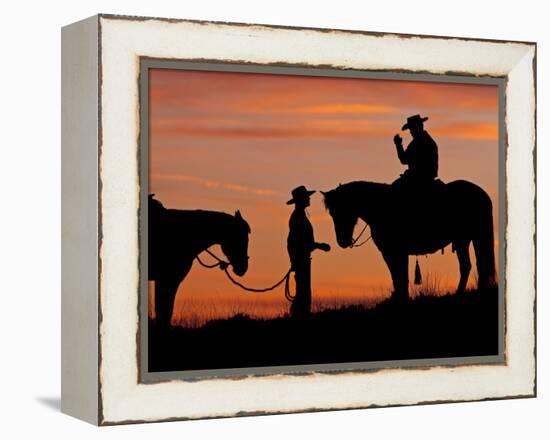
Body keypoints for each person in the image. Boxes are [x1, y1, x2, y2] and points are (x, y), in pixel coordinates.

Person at [286, 185, 331, 318]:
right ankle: (300, 317)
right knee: (304, 292)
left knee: (303, 291)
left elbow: (293, 242)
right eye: (306, 197)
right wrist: (320, 246)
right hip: (301, 259)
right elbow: (299, 242)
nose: (309, 198)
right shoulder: (298, 218)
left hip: (301, 258)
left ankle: (300, 316)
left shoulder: (299, 216)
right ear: (301, 200)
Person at [393, 114, 439, 188]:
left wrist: (398, 145)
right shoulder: (429, 141)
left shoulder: (418, 143)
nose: (410, 132)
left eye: (412, 129)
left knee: (395, 187)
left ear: (417, 127)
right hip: (428, 178)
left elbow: (404, 160)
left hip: (416, 179)